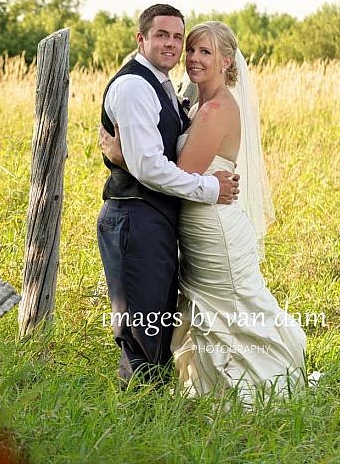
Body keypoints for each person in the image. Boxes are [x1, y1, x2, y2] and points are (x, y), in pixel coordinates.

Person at [101, 21, 307, 402]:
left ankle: (261, 386)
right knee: (210, 312)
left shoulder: (215, 110)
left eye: (205, 52)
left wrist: (122, 157)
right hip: (197, 223)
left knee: (229, 307)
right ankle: (213, 386)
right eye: (191, 49)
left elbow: (181, 174)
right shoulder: (194, 103)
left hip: (215, 228)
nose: (193, 57)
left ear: (227, 61)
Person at [96, 4, 240, 388]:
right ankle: (138, 418)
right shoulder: (133, 87)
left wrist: (121, 154)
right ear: (141, 39)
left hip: (157, 219)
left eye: (179, 37)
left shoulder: (164, 86)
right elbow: (150, 167)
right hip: (134, 218)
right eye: (163, 35)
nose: (175, 46)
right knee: (141, 330)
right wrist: (210, 187)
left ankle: (154, 406)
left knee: (158, 322)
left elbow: (154, 154)